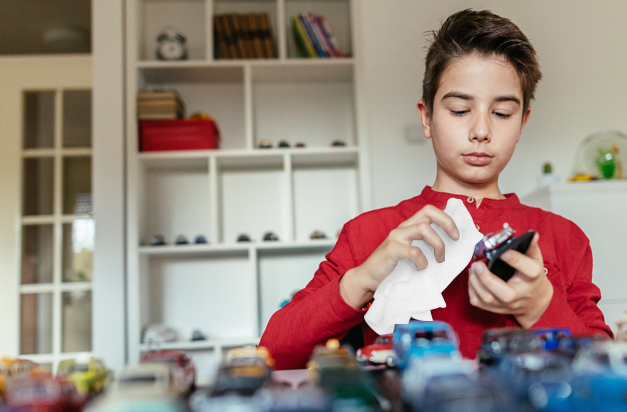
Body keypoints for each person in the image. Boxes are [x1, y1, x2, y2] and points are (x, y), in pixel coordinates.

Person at [259, 9, 612, 370]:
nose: (480, 130)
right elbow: (273, 352)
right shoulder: (367, 234)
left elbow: (605, 368)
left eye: (502, 114)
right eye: (460, 110)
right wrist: (363, 278)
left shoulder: (564, 238)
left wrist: (538, 306)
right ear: (426, 117)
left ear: (522, 123)